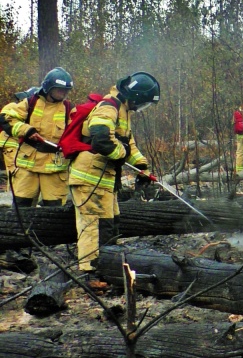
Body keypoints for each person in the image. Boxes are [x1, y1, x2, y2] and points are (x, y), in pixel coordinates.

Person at [68, 72, 160, 273]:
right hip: (89, 178)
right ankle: (89, 271)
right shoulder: (108, 107)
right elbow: (101, 139)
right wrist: (121, 154)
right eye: (142, 102)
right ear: (135, 96)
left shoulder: (124, 110)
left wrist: (142, 166)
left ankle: (108, 266)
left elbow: (129, 144)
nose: (141, 107)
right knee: (91, 226)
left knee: (109, 223)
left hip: (105, 179)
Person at [0, 69, 75, 207]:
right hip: (27, 166)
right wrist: (26, 130)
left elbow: (77, 133)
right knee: (22, 208)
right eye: (60, 90)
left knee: (55, 211)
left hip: (54, 169)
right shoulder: (30, 103)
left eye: (66, 90)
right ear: (48, 88)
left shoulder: (69, 108)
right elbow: (6, 117)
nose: (64, 93)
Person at [1, 87, 39, 193]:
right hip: (10, 143)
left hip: (14, 144)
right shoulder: (13, 107)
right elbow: (7, 123)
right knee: (14, 171)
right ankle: (13, 197)